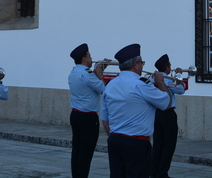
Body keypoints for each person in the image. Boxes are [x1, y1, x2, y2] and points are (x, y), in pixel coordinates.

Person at [101, 43, 170, 178]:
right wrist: (161, 82)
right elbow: (167, 103)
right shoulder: (142, 84)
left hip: (115, 140)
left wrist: (116, 137)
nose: (142, 66)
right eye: (142, 63)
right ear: (135, 64)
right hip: (137, 143)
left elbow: (105, 119)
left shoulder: (110, 85)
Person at [68, 43, 106, 178]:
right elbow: (102, 89)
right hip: (88, 117)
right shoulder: (87, 74)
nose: (91, 59)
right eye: (89, 56)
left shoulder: (73, 72)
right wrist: (100, 76)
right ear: (84, 59)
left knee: (77, 150)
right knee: (86, 152)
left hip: (76, 114)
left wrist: (96, 73)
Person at [150, 54, 186, 178]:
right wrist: (179, 76)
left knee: (158, 144)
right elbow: (181, 89)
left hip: (156, 114)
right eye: (169, 65)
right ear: (166, 68)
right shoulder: (169, 79)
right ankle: (162, 173)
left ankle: (154, 172)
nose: (171, 67)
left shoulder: (151, 79)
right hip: (168, 113)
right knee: (168, 146)